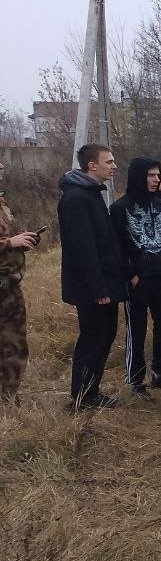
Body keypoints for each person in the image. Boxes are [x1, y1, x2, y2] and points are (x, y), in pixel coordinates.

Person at [59, 143, 125, 410]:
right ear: (92, 166)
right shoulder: (76, 198)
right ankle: (81, 398)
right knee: (92, 339)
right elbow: (82, 249)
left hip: (104, 282)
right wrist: (98, 289)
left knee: (104, 335)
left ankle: (91, 392)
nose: (114, 166)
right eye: (109, 162)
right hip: (92, 288)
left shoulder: (91, 193)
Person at [109, 157, 161, 396]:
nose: (156, 179)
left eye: (158, 175)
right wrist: (131, 275)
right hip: (137, 279)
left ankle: (160, 372)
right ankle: (135, 381)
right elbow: (116, 248)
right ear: (138, 176)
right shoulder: (120, 208)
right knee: (136, 329)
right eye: (151, 175)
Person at [0, 159, 41, 400]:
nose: (2, 168)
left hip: (10, 285)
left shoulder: (3, 203)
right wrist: (9, 243)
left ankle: (8, 397)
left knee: (14, 345)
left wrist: (22, 241)